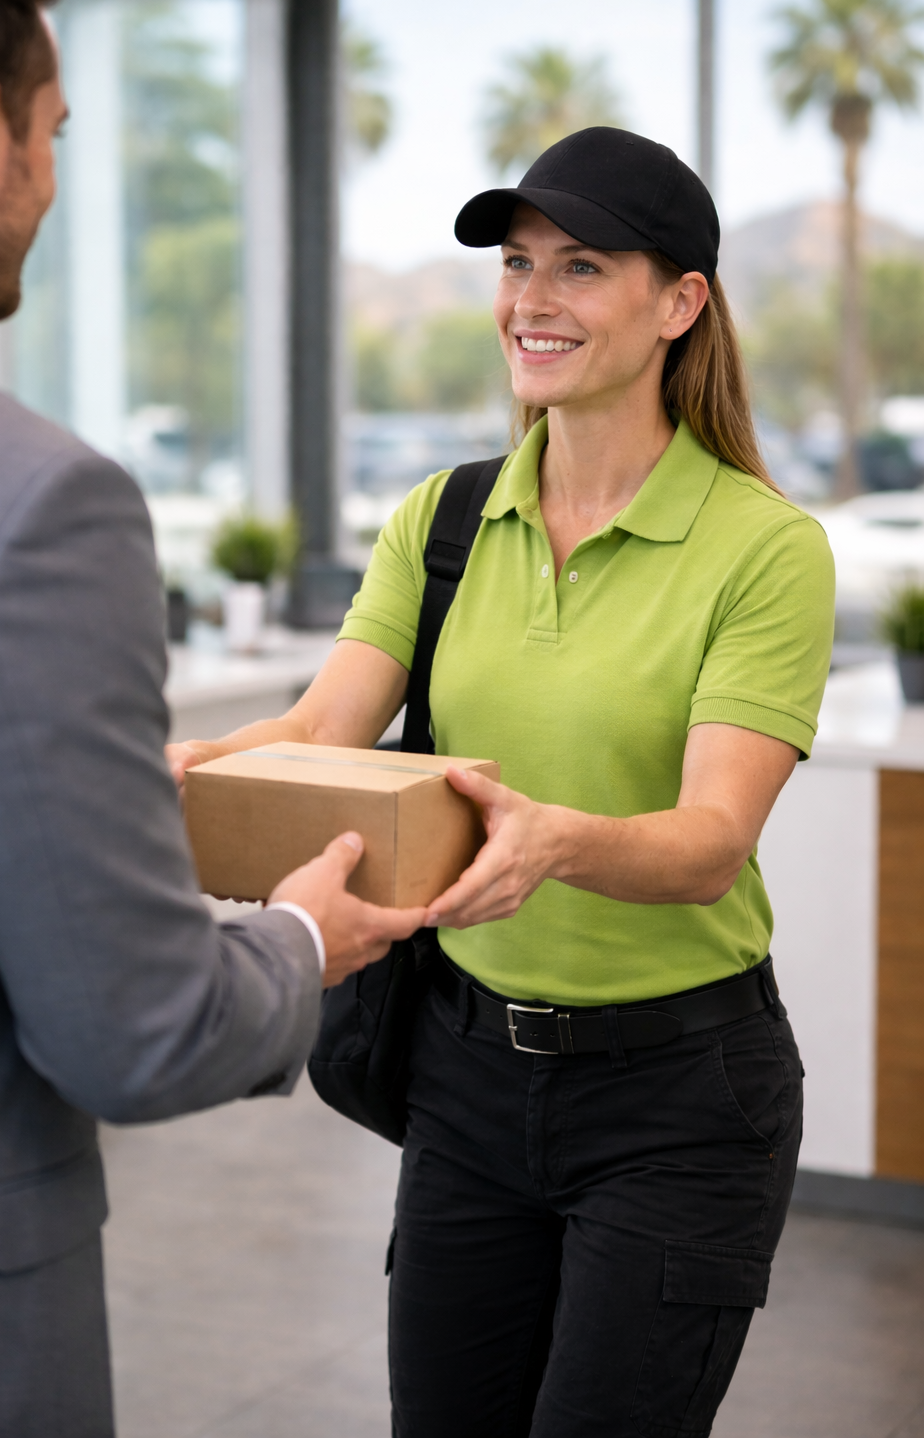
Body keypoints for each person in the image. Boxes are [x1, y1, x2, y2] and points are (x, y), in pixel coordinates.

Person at [170, 125, 835, 1437]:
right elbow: (324, 723)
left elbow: (710, 840)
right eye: (518, 264)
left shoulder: (767, 550)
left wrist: (556, 842)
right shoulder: (447, 518)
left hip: (678, 1098)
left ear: (680, 304)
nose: (531, 301)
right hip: (466, 1080)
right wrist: (166, 772)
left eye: (581, 266)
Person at [0, 0, 425, 1433]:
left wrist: (102, 799)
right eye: (58, 130)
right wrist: (306, 945)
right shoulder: (30, 501)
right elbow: (130, 1026)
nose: (55, 183)